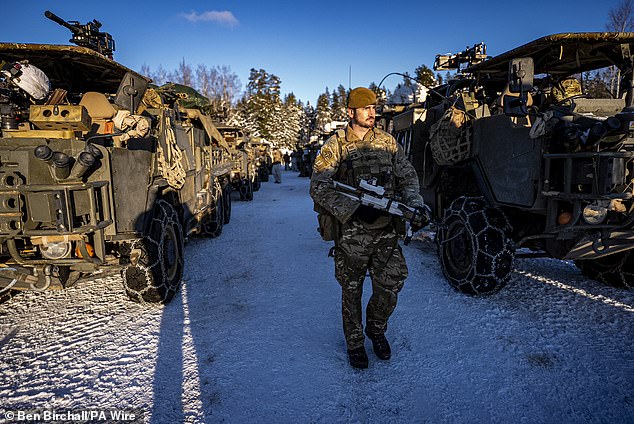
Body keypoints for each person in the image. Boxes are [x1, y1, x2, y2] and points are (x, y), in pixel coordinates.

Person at [310, 87, 428, 369]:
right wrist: (352, 209)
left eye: (374, 107)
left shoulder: (387, 143)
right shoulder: (336, 146)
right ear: (351, 113)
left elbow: (408, 178)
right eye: (365, 108)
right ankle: (354, 343)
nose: (372, 113)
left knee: (391, 284)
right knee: (352, 289)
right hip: (352, 233)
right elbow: (318, 186)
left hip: (386, 230)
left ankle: (375, 330)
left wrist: (415, 206)